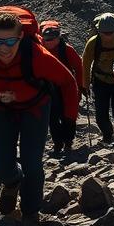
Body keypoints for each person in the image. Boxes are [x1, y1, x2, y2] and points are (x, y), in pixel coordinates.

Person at [0, 8, 79, 226]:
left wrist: (69, 120)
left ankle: (31, 213)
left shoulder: (37, 55)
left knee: (32, 164)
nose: (3, 48)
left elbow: (68, 82)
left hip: (35, 110)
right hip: (1, 110)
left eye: (10, 42)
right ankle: (12, 182)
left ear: (21, 36)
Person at [82, 13, 114, 142]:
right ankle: (108, 135)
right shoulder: (93, 43)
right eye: (104, 33)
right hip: (100, 81)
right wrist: (85, 85)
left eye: (110, 32)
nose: (107, 35)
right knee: (101, 114)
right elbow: (86, 64)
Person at [39, 19, 85, 156]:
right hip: (48, 88)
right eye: (47, 39)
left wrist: (81, 86)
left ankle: (68, 141)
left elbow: (79, 67)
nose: (49, 42)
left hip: (67, 87)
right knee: (52, 117)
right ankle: (58, 143)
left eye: (52, 39)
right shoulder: (40, 49)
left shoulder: (67, 50)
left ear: (59, 37)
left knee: (69, 116)